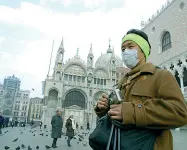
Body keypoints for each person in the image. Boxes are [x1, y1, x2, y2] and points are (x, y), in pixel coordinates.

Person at [94, 29, 187, 150]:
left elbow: (180, 113)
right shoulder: (121, 83)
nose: (125, 52)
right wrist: (105, 109)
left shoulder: (161, 76)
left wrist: (131, 112)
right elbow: (119, 116)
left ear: (142, 51)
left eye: (130, 46)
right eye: (123, 49)